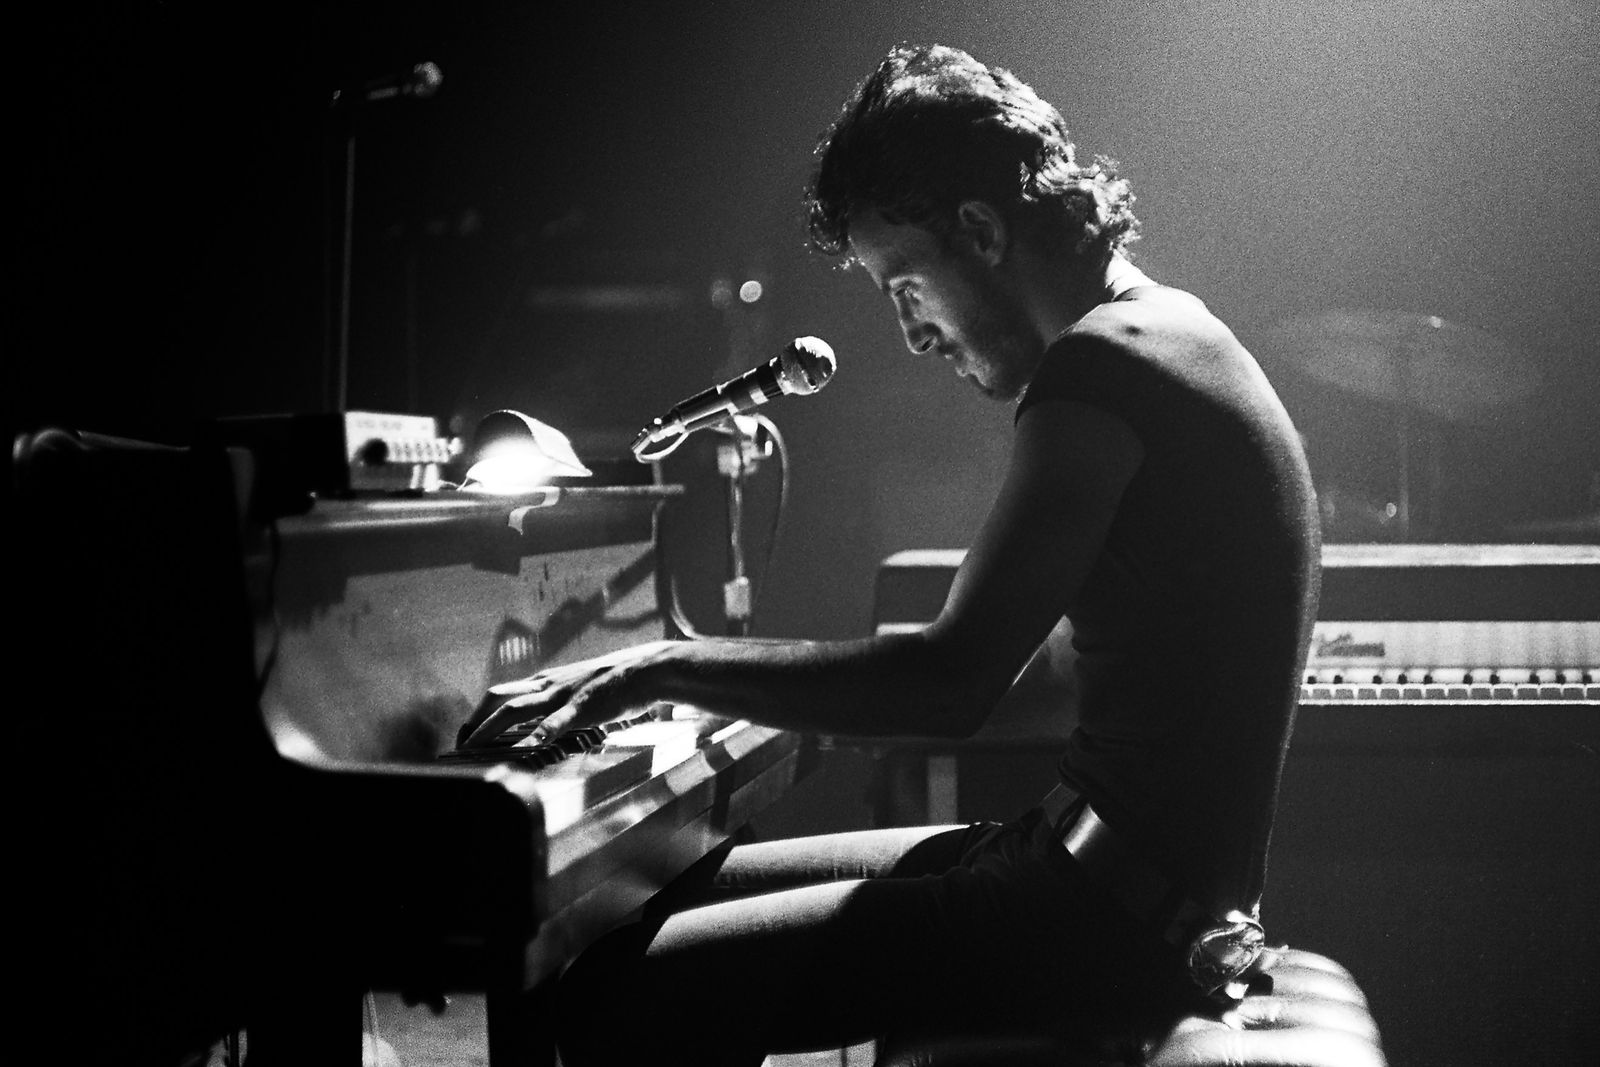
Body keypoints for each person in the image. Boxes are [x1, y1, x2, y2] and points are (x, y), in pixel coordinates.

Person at [462, 42, 1320, 1064]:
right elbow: (1045, 689)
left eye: (903, 285)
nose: (913, 334)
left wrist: (655, 665)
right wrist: (753, 703)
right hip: (1094, 884)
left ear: (980, 230)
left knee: (607, 994)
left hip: (1104, 926)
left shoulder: (1103, 368)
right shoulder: (1173, 335)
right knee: (656, 897)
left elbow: (947, 682)